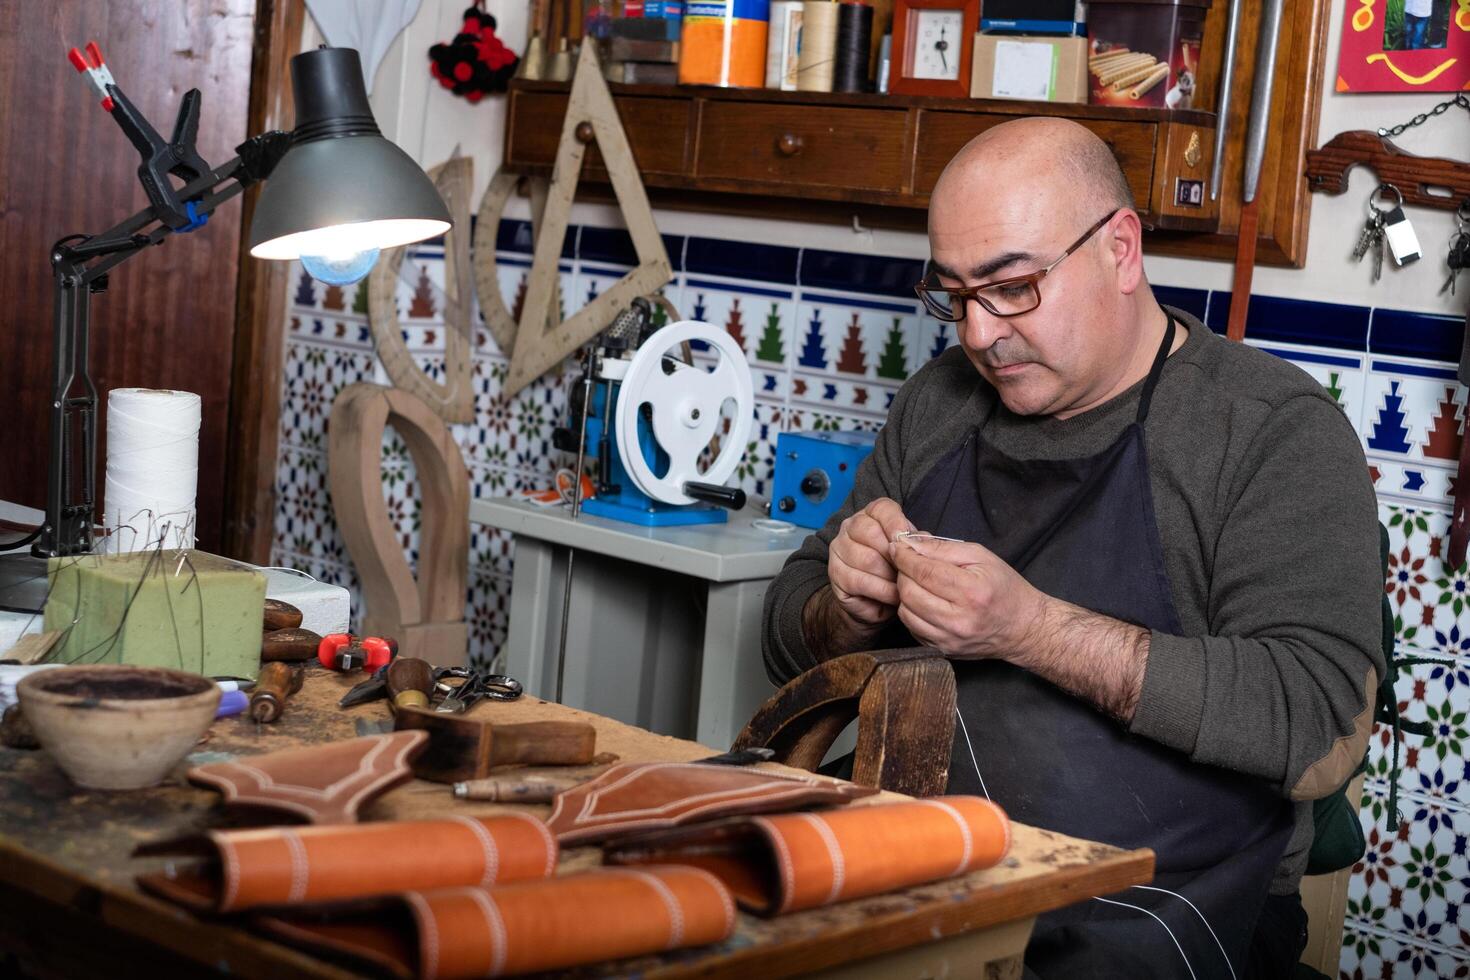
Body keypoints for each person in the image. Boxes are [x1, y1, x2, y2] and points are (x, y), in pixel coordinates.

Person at [761, 118, 1383, 979]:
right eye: (953, 295)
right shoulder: (941, 404)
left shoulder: (1269, 434)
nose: (978, 334)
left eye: (1012, 286)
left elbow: (1316, 726)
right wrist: (847, 607)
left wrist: (1032, 629)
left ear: (1121, 251)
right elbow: (787, 630)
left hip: (1162, 912)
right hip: (919, 874)